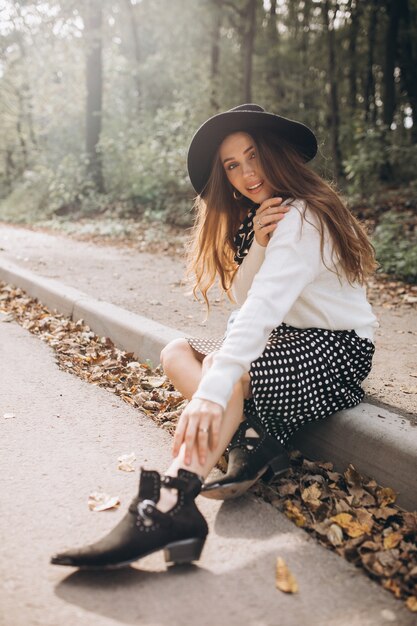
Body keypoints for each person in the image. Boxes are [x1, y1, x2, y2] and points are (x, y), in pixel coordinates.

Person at [51, 103, 378, 570]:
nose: (247, 174)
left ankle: (171, 504)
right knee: (176, 352)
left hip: (334, 349)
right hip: (286, 339)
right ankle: (248, 435)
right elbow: (248, 299)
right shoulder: (262, 219)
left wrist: (211, 393)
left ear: (276, 154)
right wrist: (259, 246)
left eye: (253, 156)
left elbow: (262, 309)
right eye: (232, 165)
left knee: (228, 378)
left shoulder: (303, 218)